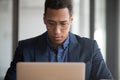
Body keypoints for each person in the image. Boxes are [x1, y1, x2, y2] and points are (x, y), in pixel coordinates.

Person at [4, 0, 113, 80]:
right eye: (51, 23)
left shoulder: (90, 48)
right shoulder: (25, 48)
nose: (57, 31)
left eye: (63, 24)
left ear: (71, 20)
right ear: (44, 19)